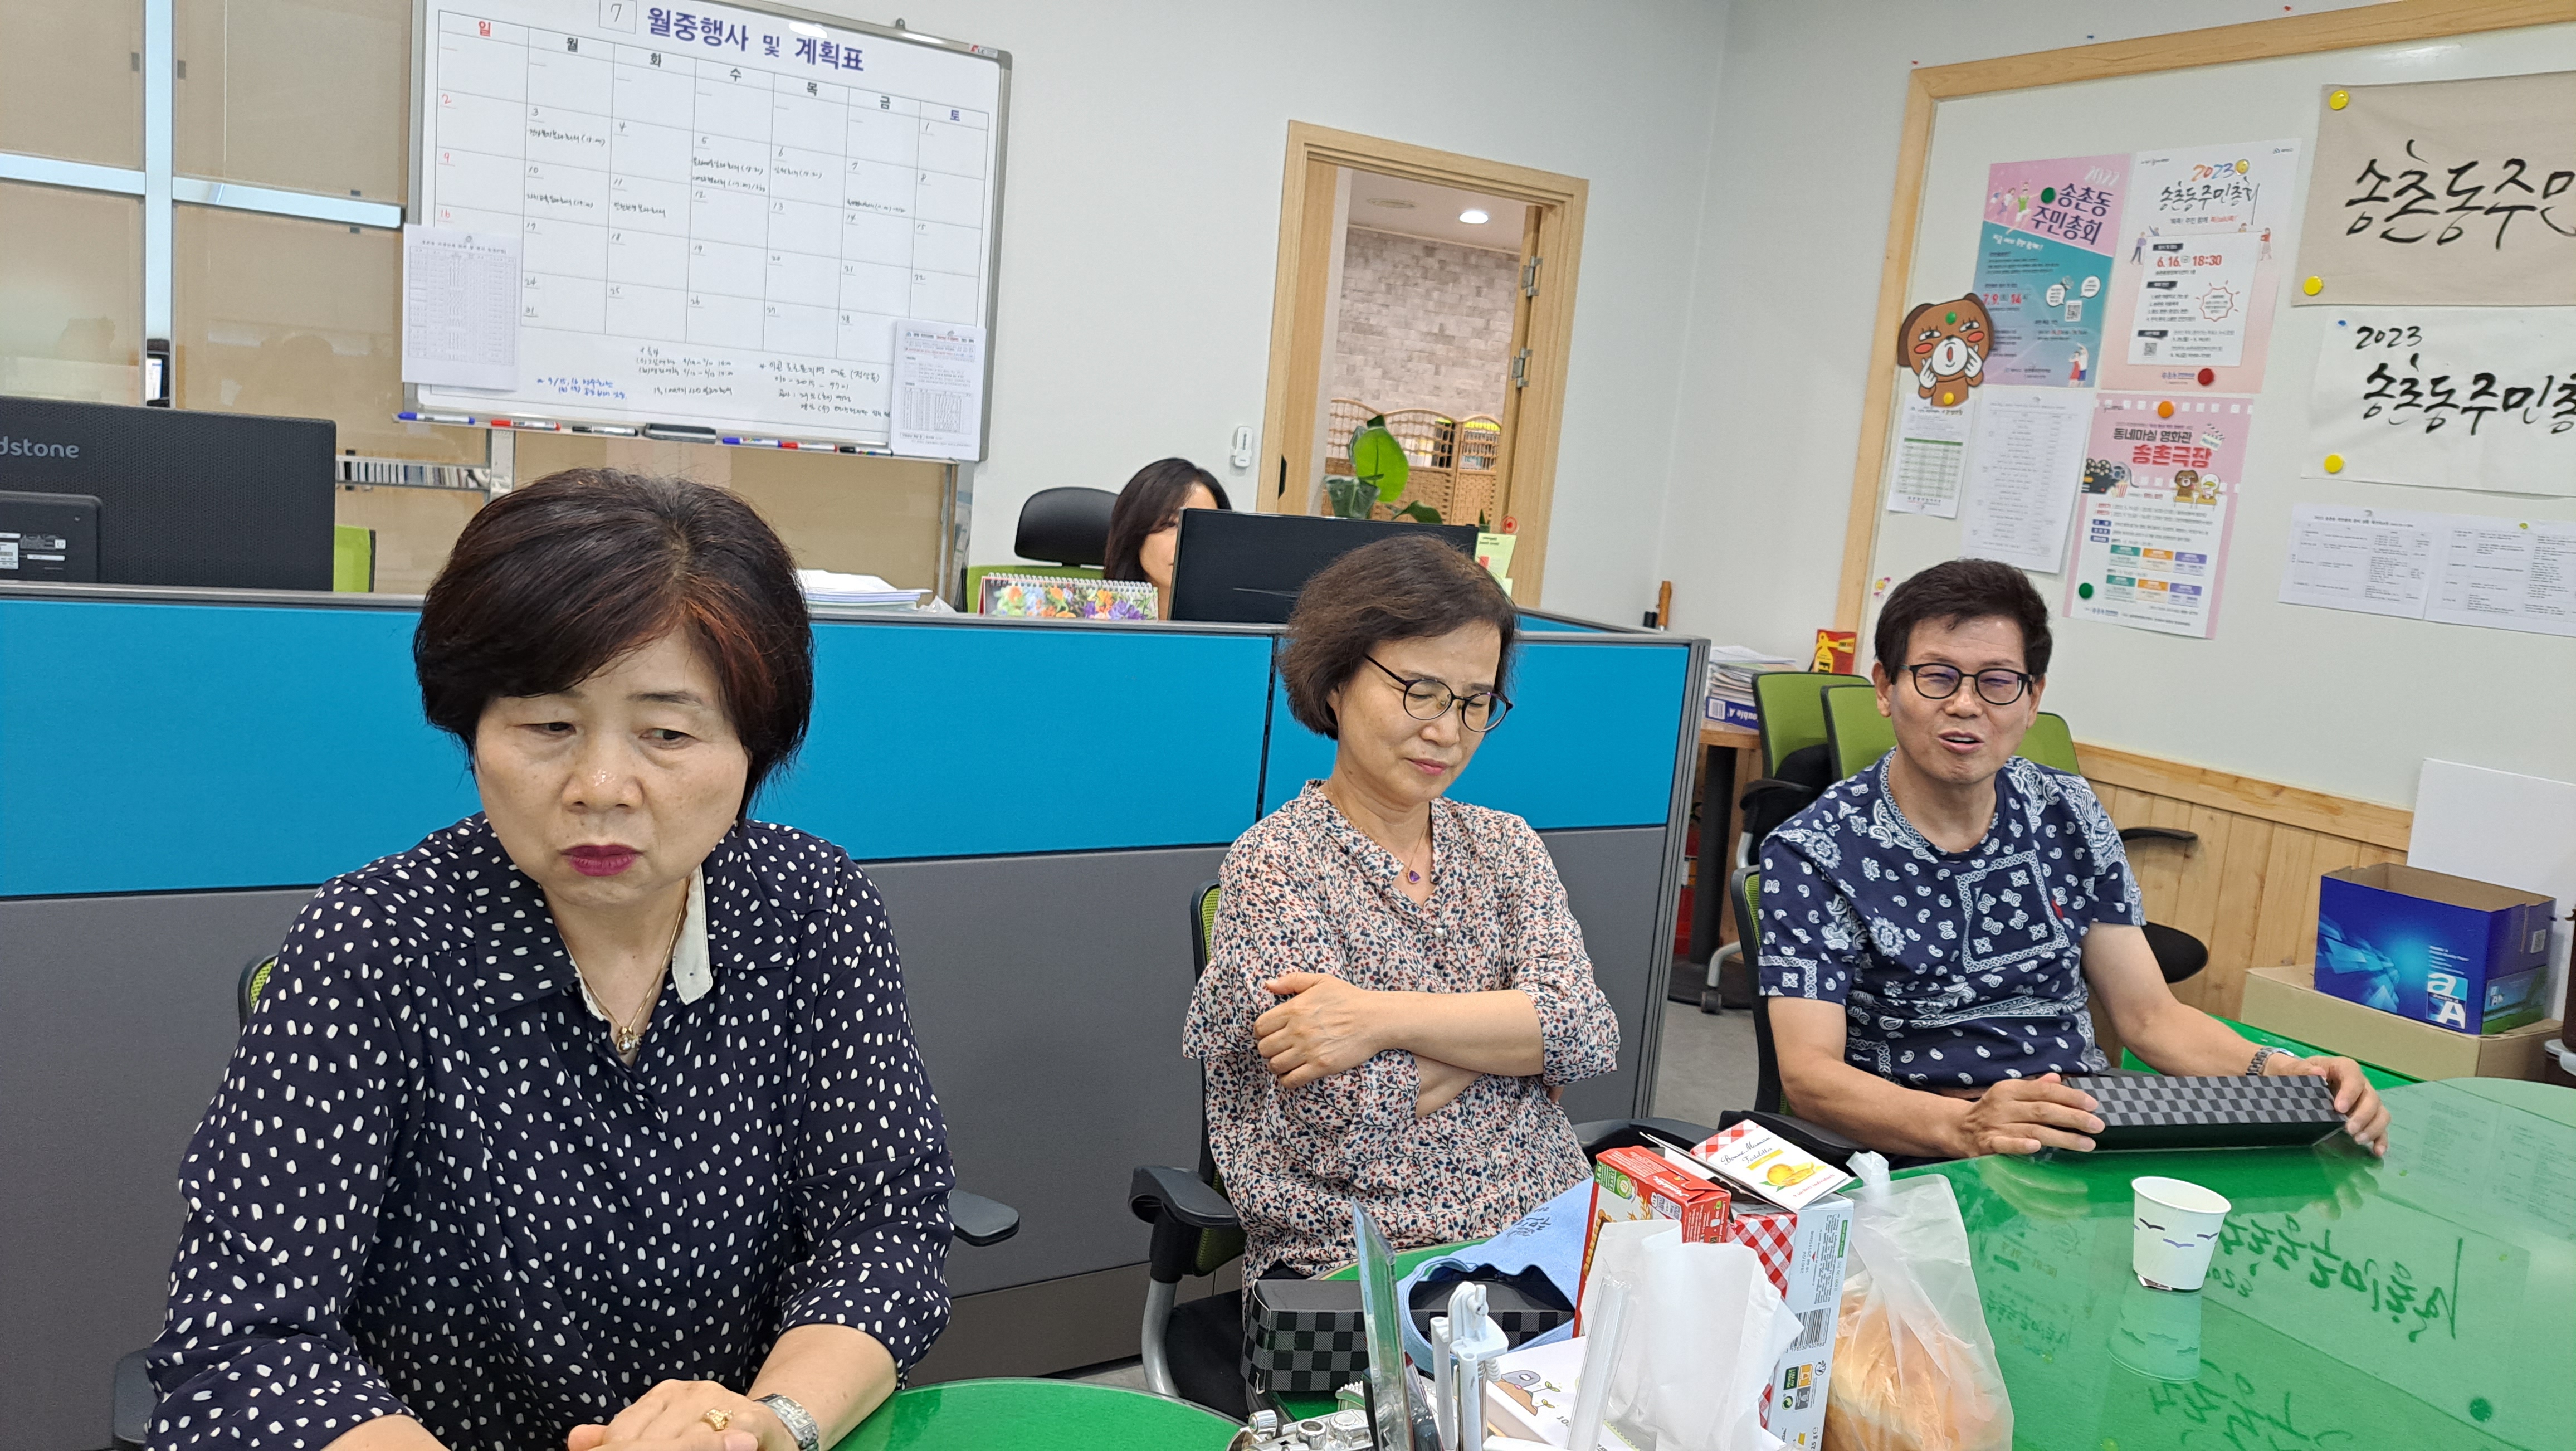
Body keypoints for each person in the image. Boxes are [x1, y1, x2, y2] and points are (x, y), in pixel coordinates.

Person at [145, 471, 954, 1451]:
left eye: (666, 732)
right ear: (473, 729)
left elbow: (883, 1228)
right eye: (547, 726)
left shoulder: (810, 910)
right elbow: (245, 1345)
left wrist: (768, 1422)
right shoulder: (374, 943)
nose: (600, 786)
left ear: (753, 746)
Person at [1758, 559, 2390, 1161]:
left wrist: (2285, 1071)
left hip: (2079, 1123)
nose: (1966, 705)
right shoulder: (1814, 850)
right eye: (1937, 676)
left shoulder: (2068, 811)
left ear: (2032, 699)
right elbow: (1811, 1077)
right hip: (1922, 1147)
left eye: (1997, 681)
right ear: (1884, 688)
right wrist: (1965, 1127)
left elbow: (2150, 1017)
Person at [1182, 535, 1619, 1278]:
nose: (1447, 731)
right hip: (1365, 1264)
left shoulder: (1506, 845)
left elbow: (1584, 1032)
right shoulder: (1277, 863)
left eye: (1474, 702)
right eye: (1420, 690)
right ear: (1337, 681)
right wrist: (1508, 1041)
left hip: (1549, 1231)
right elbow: (1339, 1114)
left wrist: (1375, 1019)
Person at [1102, 457, 1231, 619]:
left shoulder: (1241, 624)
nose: (1187, 541)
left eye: (1205, 525)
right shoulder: (1096, 618)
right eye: (1170, 524)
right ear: (1133, 531)